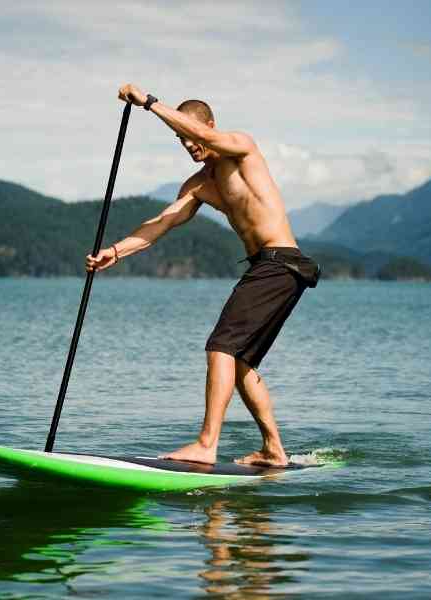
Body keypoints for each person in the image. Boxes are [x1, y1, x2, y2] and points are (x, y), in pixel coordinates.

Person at [86, 83, 320, 467]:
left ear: (208, 125)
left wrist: (148, 103)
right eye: (181, 141)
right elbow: (161, 223)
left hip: (279, 262)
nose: (189, 146)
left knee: (220, 346)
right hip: (268, 268)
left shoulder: (242, 148)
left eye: (190, 136)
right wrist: (115, 251)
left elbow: (208, 137)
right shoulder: (199, 185)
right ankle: (274, 450)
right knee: (240, 362)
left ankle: (207, 444)